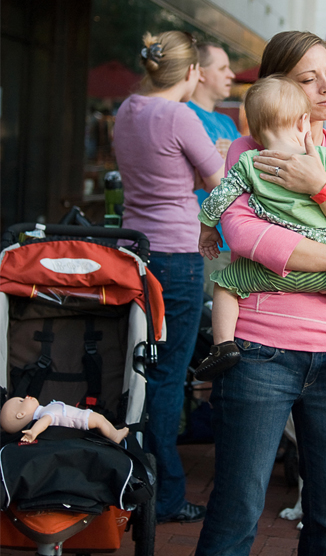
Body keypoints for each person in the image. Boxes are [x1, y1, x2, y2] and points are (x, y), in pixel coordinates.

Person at [194, 31, 326, 556]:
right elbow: (244, 235)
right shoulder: (247, 153)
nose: (325, 88)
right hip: (256, 354)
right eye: (307, 78)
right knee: (236, 512)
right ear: (281, 87)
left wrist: (318, 185)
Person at [195, 75, 326, 383]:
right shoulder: (325, 160)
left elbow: (220, 198)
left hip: (265, 271)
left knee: (224, 284)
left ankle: (223, 345)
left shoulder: (250, 161)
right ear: (305, 121)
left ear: (253, 127)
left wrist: (207, 228)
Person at [113, 31, 223, 524]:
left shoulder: (127, 109)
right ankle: (167, 494)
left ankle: (127, 475)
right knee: (169, 375)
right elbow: (218, 180)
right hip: (177, 253)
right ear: (193, 72)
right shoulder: (181, 115)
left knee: (136, 365)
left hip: (132, 252)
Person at [187, 42, 242, 295]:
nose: (231, 75)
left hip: (235, 238)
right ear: (200, 73)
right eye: (222, 68)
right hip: (203, 242)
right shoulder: (184, 116)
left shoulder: (226, 122)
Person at [1, 396, 129, 444]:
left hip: (80, 416)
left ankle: (113, 432)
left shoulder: (44, 410)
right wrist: (33, 432)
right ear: (21, 414)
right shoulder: (45, 414)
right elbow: (43, 423)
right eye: (22, 401)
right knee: (100, 420)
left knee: (101, 421)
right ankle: (115, 436)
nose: (26, 397)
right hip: (80, 419)